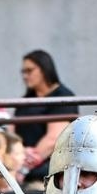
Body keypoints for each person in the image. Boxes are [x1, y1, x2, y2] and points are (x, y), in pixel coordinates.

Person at [13, 50, 74, 184]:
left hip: (47, 173)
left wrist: (23, 168)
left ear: (44, 69)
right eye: (23, 72)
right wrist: (21, 153)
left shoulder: (62, 97)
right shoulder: (26, 100)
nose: (25, 76)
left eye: (29, 71)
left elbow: (53, 139)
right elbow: (11, 134)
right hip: (19, 168)